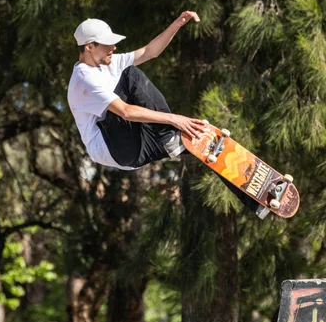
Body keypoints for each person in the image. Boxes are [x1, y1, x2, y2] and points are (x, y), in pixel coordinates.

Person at [67, 11, 258, 213]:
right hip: (112, 147)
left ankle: (256, 202)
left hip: (134, 146)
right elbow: (125, 111)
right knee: (130, 74)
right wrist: (173, 119)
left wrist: (176, 24)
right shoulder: (83, 79)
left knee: (202, 144)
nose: (113, 48)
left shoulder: (108, 63)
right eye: (107, 44)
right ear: (89, 47)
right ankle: (168, 136)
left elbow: (150, 51)